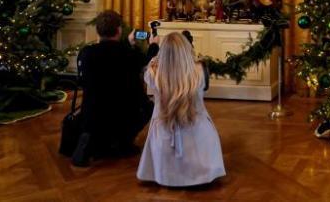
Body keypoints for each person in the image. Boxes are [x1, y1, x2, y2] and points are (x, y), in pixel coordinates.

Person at [137, 32, 225, 187]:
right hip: (198, 136)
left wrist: (154, 45)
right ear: (187, 50)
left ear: (162, 53)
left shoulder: (152, 73)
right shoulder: (200, 71)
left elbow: (150, 63)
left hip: (164, 135)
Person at [72, 10, 159, 167]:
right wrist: (153, 44)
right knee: (150, 106)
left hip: (93, 115)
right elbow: (148, 60)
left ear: (97, 30)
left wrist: (129, 44)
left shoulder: (86, 53)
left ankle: (95, 141)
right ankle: (124, 142)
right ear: (119, 30)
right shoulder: (128, 54)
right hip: (124, 115)